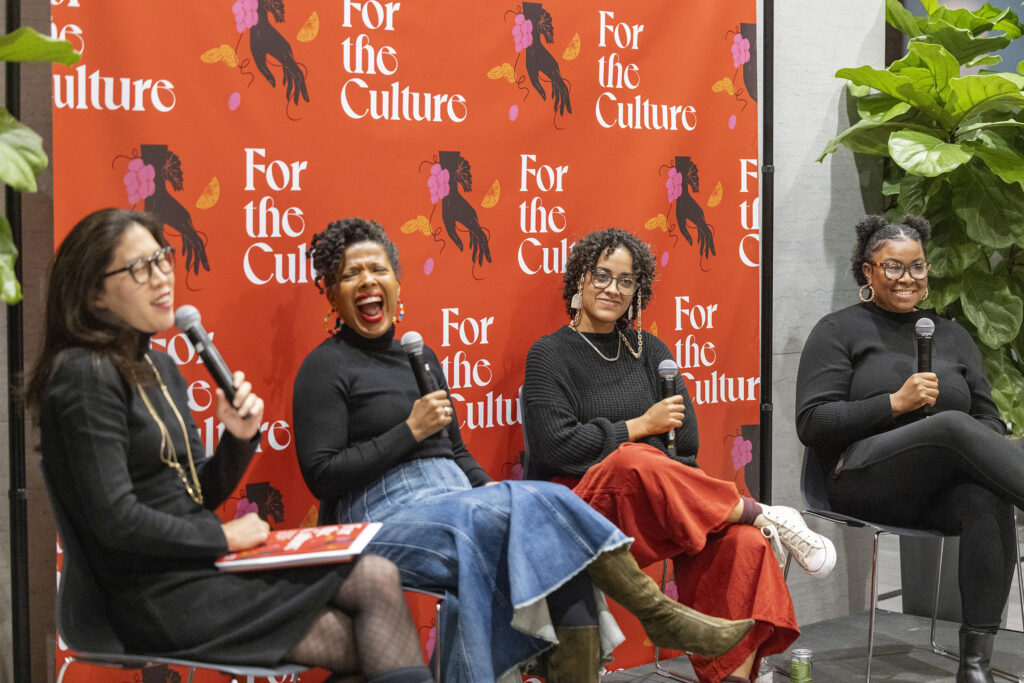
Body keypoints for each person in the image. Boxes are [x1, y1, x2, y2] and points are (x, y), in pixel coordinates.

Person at [293, 217, 755, 683]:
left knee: (543, 523)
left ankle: (649, 618)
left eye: (379, 269)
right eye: (352, 274)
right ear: (330, 293)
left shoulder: (420, 356)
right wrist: (408, 433)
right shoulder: (324, 367)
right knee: (541, 523)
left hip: (454, 498)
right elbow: (322, 474)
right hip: (382, 513)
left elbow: (455, 452)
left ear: (396, 281)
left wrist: (495, 495)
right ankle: (655, 610)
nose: (369, 281)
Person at [28, 208, 436, 683]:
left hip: (195, 568)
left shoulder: (160, 369)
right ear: (94, 293)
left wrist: (237, 440)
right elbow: (115, 522)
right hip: (140, 594)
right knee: (360, 638)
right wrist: (222, 537)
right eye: (140, 268)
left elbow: (195, 496)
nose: (161, 279)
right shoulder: (83, 374)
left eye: (162, 259)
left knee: (376, 576)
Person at [524, 228, 837, 683]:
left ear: (638, 290)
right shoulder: (549, 354)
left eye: (626, 280)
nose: (613, 288)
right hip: (583, 508)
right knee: (631, 459)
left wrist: (639, 445)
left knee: (744, 546)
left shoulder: (650, 352)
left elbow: (685, 443)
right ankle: (757, 511)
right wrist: (639, 427)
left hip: (660, 503)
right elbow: (557, 447)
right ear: (580, 280)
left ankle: (732, 676)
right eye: (602, 276)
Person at [797, 214, 1024, 683]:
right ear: (867, 270)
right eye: (893, 267)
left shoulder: (953, 335)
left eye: (917, 267)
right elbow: (813, 421)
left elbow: (986, 418)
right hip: (858, 477)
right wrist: (893, 404)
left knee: (986, 497)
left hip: (933, 488)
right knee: (951, 426)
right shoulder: (838, 330)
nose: (908, 279)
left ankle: (975, 666)